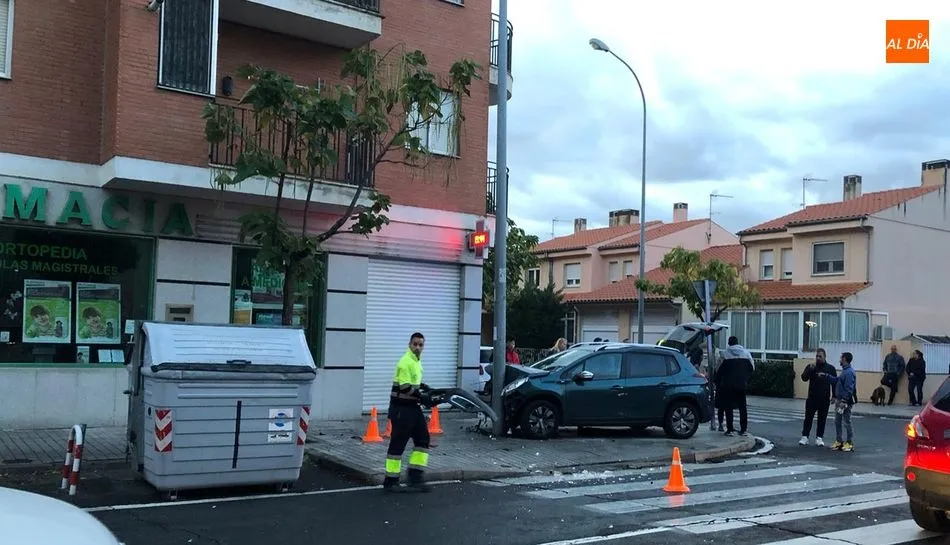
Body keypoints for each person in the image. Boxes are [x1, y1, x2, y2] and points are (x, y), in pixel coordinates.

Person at [383, 332, 432, 493]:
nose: (418, 347)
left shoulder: (416, 362)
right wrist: (421, 396)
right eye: (415, 344)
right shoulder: (405, 362)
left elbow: (414, 383)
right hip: (401, 408)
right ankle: (391, 481)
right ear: (409, 344)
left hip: (412, 407)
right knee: (398, 443)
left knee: (423, 439)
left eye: (421, 345)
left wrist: (424, 388)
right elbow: (405, 387)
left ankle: (415, 476)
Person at [798, 348, 837, 447]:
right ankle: (805, 437)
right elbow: (804, 378)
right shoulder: (812, 367)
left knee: (822, 419)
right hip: (812, 397)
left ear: (824, 357)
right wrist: (809, 370)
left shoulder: (830, 368)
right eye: (817, 356)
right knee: (808, 418)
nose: (818, 358)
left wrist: (834, 396)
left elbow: (834, 383)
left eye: (820, 356)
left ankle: (819, 438)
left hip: (824, 398)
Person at [718, 336, 755, 436]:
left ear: (729, 344)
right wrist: (745, 378)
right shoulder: (746, 353)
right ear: (738, 342)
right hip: (741, 384)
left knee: (728, 407)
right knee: (742, 407)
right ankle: (743, 429)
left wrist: (718, 381)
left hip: (728, 385)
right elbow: (752, 368)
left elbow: (719, 370)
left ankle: (730, 429)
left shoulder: (725, 354)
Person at [826, 351, 857, 452]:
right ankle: (839, 441)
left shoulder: (849, 373)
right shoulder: (845, 371)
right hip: (840, 400)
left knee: (846, 421)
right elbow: (837, 380)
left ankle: (849, 442)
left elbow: (849, 388)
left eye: (841, 358)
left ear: (844, 359)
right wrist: (827, 377)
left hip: (845, 402)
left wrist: (844, 401)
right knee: (838, 421)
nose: (839, 360)